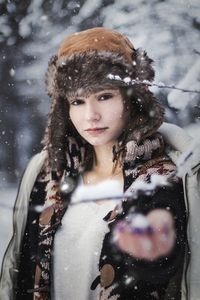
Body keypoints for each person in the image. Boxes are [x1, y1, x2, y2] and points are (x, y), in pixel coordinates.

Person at [0, 27, 198, 300]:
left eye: (104, 96)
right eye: (78, 101)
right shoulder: (47, 176)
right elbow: (19, 274)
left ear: (132, 99)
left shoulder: (167, 180)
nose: (90, 115)